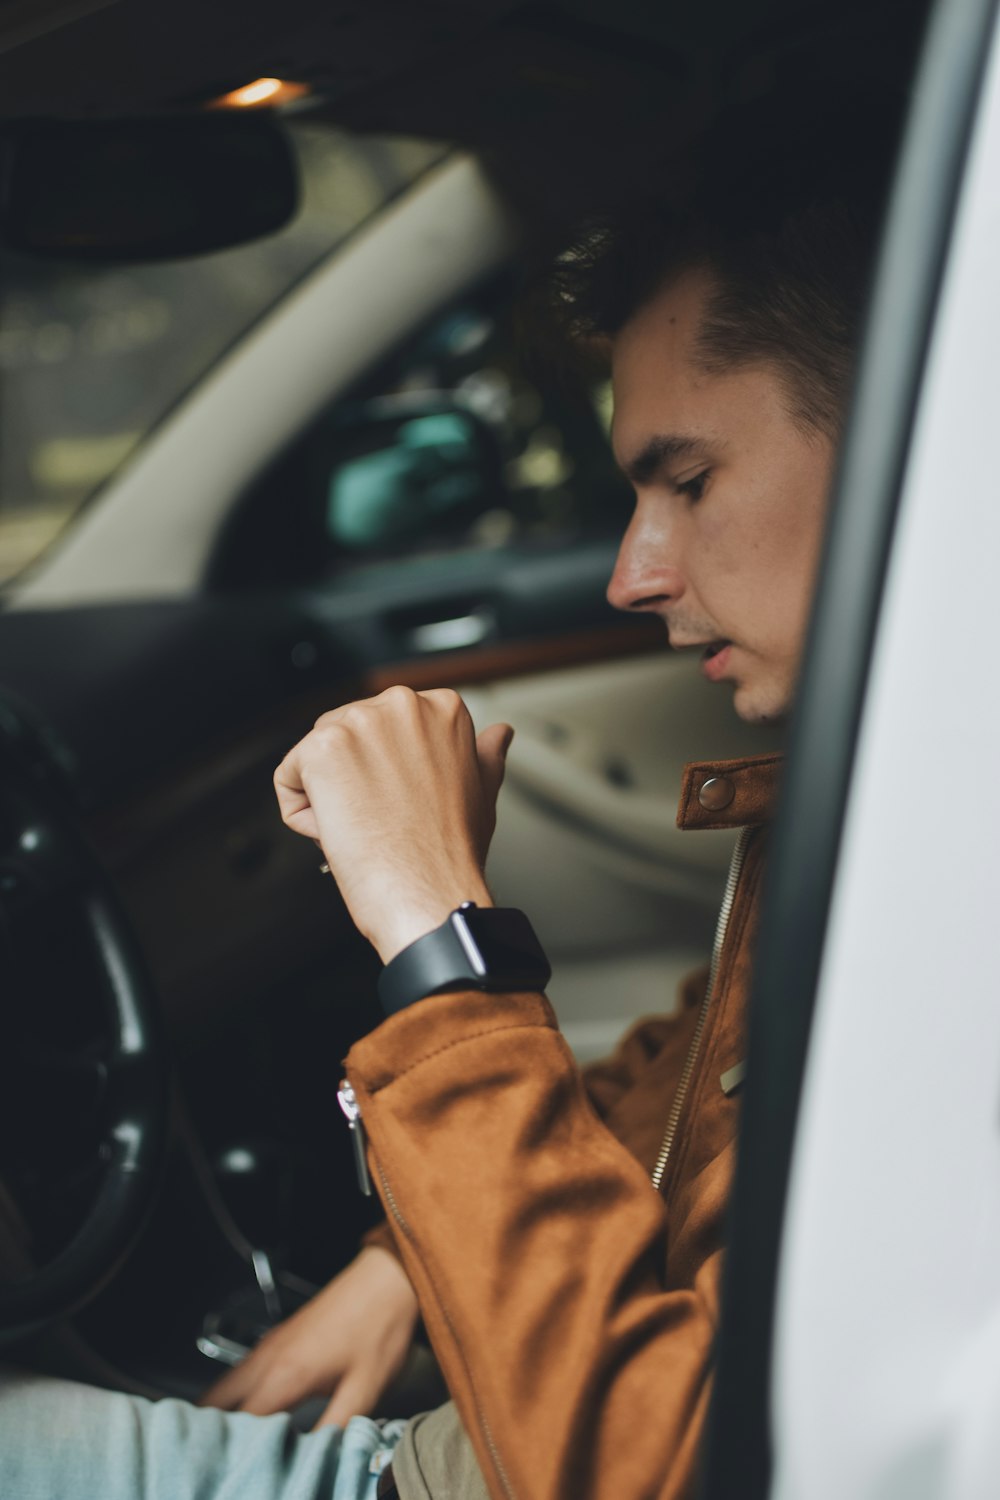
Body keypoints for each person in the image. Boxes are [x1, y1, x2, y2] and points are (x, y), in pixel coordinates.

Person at [0, 196, 871, 1499]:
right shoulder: (902, 785)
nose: (633, 574)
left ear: (916, 439)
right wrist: (406, 1266)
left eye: (688, 483)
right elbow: (713, 1074)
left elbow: (642, 1473)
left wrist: (433, 925)